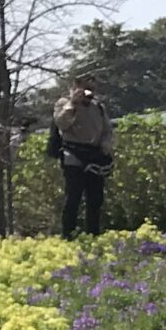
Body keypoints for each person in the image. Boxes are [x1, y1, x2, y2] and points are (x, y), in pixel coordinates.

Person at [47, 78, 115, 238]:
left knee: (95, 198)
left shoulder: (98, 107)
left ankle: (93, 235)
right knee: (73, 197)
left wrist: (106, 144)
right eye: (85, 88)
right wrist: (73, 104)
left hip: (95, 156)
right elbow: (61, 123)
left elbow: (107, 130)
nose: (89, 92)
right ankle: (68, 235)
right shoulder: (63, 104)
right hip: (73, 155)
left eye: (92, 89)